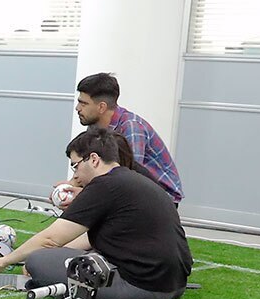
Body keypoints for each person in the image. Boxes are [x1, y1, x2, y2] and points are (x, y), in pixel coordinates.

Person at [0, 127, 191, 299]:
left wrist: (4, 260)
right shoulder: (132, 179)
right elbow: (86, 239)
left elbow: (51, 239)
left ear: (94, 159)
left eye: (76, 166)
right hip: (174, 284)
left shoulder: (104, 185)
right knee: (56, 256)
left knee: (37, 261)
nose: (75, 175)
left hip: (142, 286)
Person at [77, 71, 183, 203]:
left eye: (83, 104)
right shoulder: (95, 127)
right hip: (130, 188)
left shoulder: (131, 126)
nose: (77, 108)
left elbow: (129, 175)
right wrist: (70, 186)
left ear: (101, 107)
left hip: (161, 197)